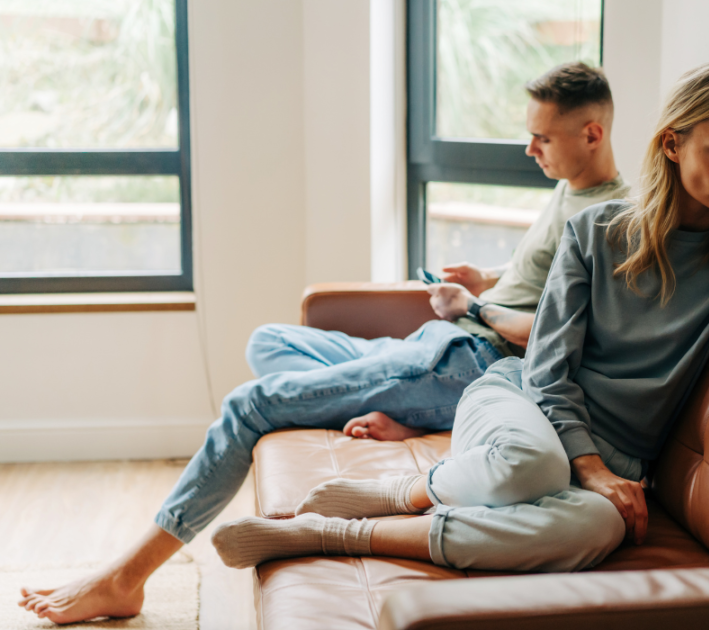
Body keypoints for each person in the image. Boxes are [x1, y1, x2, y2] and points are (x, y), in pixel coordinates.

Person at [17, 62, 629, 625]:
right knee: (270, 339)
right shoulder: (569, 189)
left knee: (250, 404)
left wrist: (477, 308)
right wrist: (489, 278)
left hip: (472, 362)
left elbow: (559, 336)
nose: (530, 149)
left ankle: (128, 576)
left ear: (592, 134)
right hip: (442, 342)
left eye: (542, 138)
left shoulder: (610, 221)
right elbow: (543, 278)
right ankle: (404, 409)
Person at [206, 61, 709, 574]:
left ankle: (341, 533)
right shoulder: (597, 230)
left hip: (617, 458)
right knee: (533, 466)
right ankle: (413, 490)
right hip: (525, 405)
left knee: (599, 527)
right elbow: (546, 370)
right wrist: (589, 467)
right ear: (673, 145)